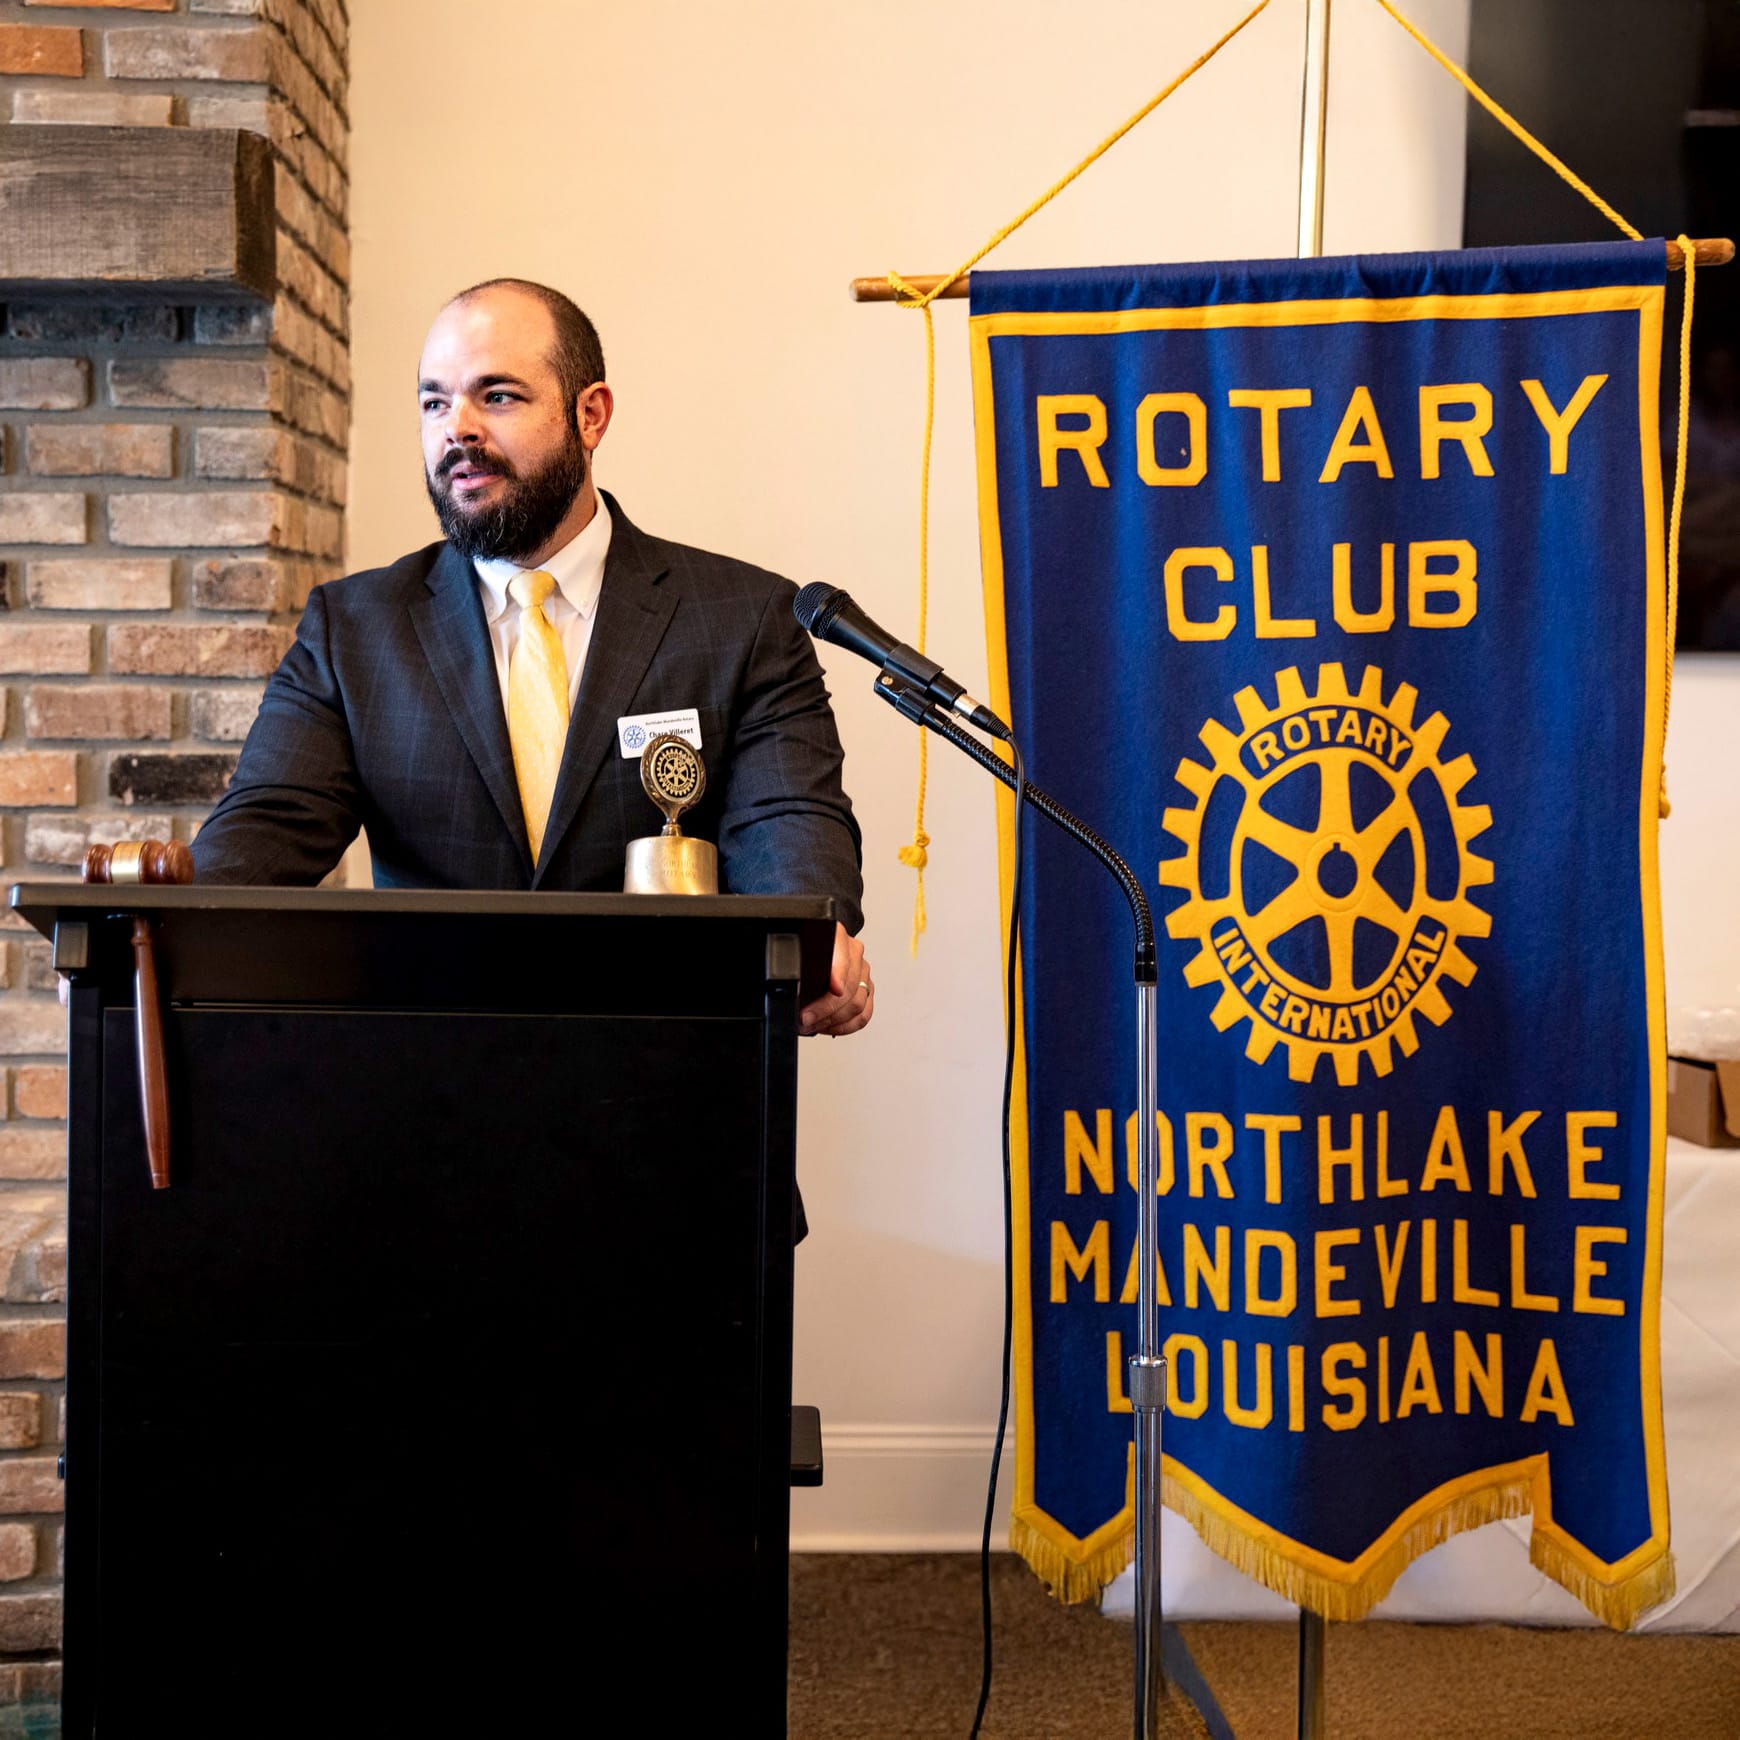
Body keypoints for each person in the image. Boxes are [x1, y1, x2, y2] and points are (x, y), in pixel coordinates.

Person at [192, 278, 873, 1036]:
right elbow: (267, 825)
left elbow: (790, 822)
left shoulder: (742, 620)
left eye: (499, 397)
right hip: (423, 1087)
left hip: (671, 1083)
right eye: (434, 403)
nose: (459, 429)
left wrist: (818, 943)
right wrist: (155, 941)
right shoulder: (354, 630)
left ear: (590, 415)